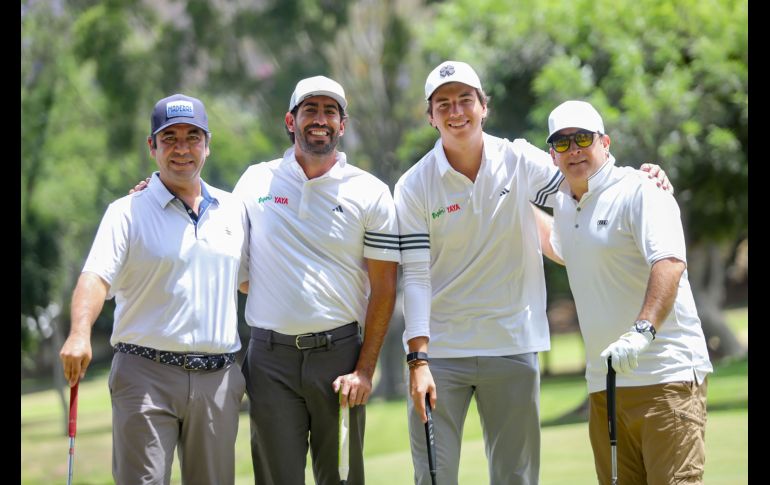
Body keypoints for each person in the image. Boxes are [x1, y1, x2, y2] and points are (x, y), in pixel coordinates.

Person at [394, 61, 671, 485]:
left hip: (512, 344)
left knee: (516, 479)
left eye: (466, 99)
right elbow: (413, 275)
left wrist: (639, 177)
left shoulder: (518, 160)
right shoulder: (414, 186)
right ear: (430, 116)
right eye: (443, 104)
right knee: (433, 478)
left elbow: (584, 181)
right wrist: (418, 359)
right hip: (442, 354)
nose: (456, 111)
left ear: (484, 106)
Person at [59, 93, 249, 484]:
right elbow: (95, 277)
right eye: (170, 138)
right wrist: (79, 333)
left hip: (218, 378)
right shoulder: (126, 212)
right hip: (145, 376)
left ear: (208, 144)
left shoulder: (235, 211)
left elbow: (250, 281)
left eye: (193, 136)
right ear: (152, 147)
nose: (182, 148)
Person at [233, 76, 400, 484]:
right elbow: (234, 266)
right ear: (290, 120)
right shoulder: (255, 181)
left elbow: (384, 288)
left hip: (340, 357)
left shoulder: (371, 192)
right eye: (310, 110)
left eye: (330, 111)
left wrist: (364, 369)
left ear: (343, 125)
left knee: (342, 478)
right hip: (270, 360)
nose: (320, 119)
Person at [545, 100, 713, 484]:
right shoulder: (564, 204)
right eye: (563, 143)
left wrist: (642, 331)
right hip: (605, 389)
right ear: (552, 154)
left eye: (583, 139)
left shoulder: (641, 189)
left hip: (666, 379)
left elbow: (669, 261)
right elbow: (561, 248)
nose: (574, 150)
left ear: (605, 142)